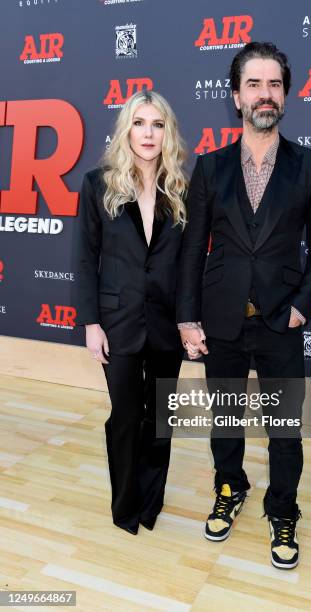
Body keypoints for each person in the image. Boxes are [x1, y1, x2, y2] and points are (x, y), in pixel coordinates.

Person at [177, 42, 311, 569]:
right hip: (221, 319)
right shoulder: (211, 166)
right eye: (254, 84)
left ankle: (283, 509)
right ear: (236, 96)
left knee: (284, 428)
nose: (264, 94)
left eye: (274, 85)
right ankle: (230, 487)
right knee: (225, 419)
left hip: (280, 321)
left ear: (285, 95)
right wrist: (186, 315)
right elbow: (192, 246)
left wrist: (302, 308)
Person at [76, 90, 187, 535]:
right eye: (140, 123)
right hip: (117, 323)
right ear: (126, 129)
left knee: (160, 417)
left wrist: (189, 319)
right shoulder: (97, 184)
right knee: (124, 417)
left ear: (167, 133)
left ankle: (149, 502)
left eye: (157, 124)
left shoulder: (180, 188)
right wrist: (90, 323)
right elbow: (85, 258)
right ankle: (125, 505)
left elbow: (190, 261)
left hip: (165, 324)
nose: (148, 133)